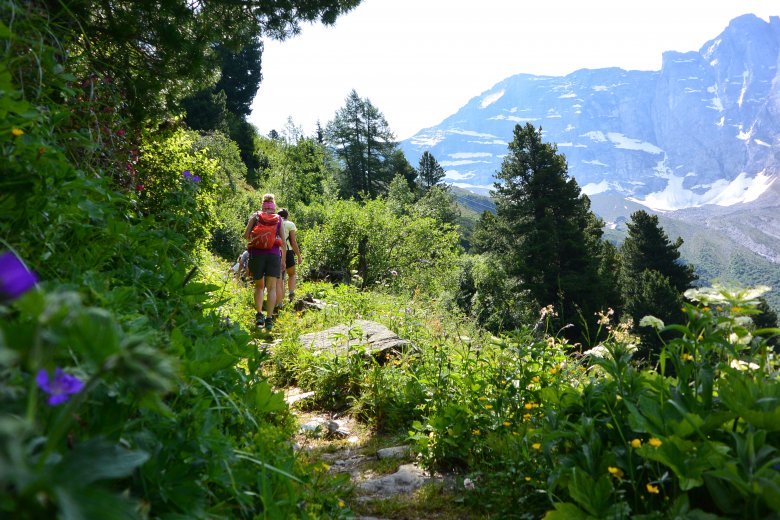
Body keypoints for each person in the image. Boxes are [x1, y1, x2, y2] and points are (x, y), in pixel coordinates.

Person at [243, 194, 286, 331]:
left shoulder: (256, 216)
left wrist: (256, 239)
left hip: (257, 254)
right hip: (273, 255)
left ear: (262, 204)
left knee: (259, 286)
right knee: (272, 288)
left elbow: (245, 235)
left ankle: (259, 314)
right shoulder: (278, 218)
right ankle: (269, 319)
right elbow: (284, 242)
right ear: (274, 205)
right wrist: (283, 259)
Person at [275, 208, 302, 309]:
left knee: (280, 278)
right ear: (287, 216)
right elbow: (293, 242)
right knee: (292, 274)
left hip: (276, 252)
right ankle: (291, 293)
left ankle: (280, 303)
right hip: (289, 251)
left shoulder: (275, 223)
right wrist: (299, 255)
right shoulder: (290, 224)